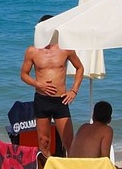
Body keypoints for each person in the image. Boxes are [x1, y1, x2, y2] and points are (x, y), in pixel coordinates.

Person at [19, 18, 83, 159]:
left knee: (68, 142)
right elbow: (23, 74)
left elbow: (80, 68)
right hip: (42, 100)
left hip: (61, 100)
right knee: (44, 142)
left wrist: (74, 90)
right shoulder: (32, 51)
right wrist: (38, 84)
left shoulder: (65, 49)